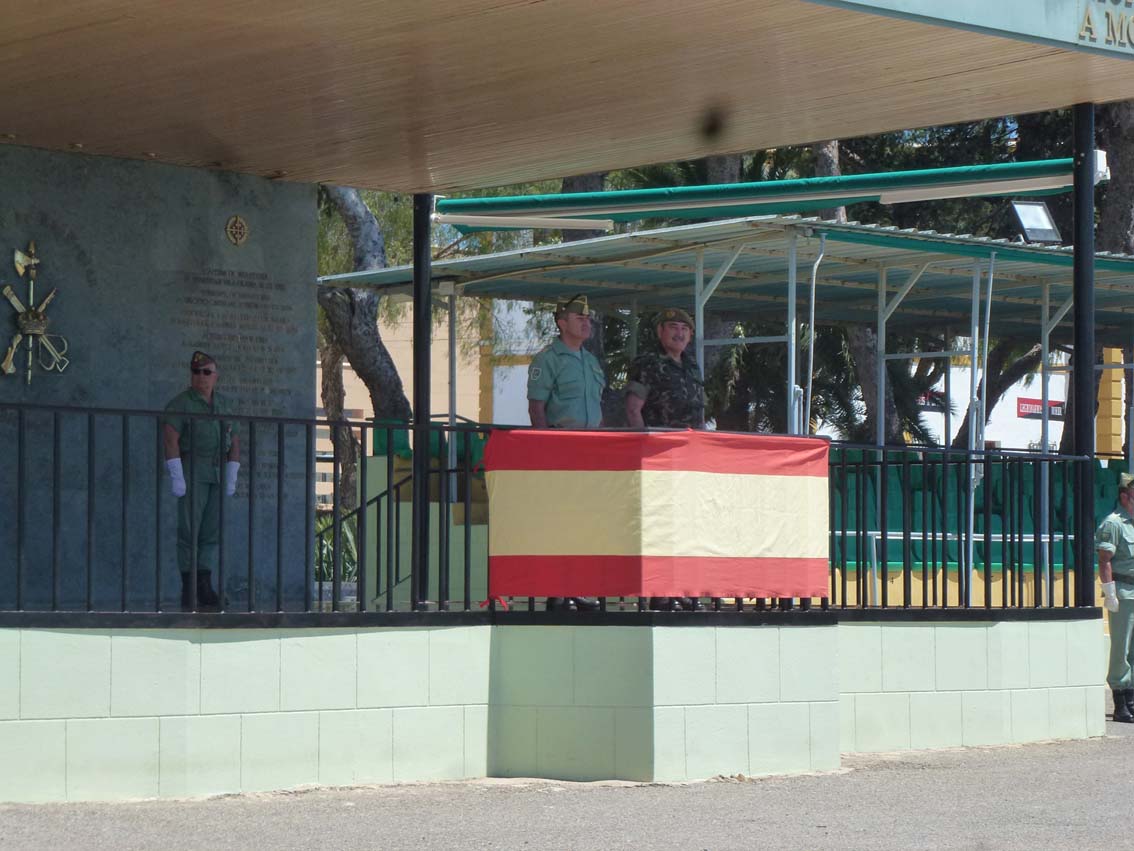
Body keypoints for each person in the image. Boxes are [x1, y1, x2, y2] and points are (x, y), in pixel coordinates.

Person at [528, 295, 605, 612]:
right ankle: (557, 591)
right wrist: (546, 449)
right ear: (562, 323)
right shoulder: (548, 359)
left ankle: (581, 586)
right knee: (560, 521)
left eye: (588, 319)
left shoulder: (590, 361)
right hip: (561, 449)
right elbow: (536, 408)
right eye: (579, 319)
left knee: (585, 521)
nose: (586, 324)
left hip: (590, 451)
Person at [626, 307, 706, 612]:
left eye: (684, 329)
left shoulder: (692, 366)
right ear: (660, 331)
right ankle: (660, 592)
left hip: (689, 458)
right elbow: (633, 409)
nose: (679, 333)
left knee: (684, 525)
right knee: (661, 526)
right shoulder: (648, 364)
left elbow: (699, 413)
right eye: (672, 327)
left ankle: (682, 589)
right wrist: (643, 448)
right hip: (659, 457)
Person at [163, 350, 241, 611]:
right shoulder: (181, 403)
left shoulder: (224, 404)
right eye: (196, 372)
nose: (201, 376)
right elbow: (170, 440)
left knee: (211, 531)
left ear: (216, 376)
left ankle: (205, 586)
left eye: (207, 372)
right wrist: (177, 475)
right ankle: (189, 588)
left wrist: (232, 471)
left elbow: (235, 440)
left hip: (218, 469)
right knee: (189, 530)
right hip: (193, 468)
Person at [1098, 472, 1134, 723]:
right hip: (1123, 592)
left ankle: (1131, 698)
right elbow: (1104, 560)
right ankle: (1120, 702)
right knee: (1121, 648)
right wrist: (1109, 592)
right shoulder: (1114, 523)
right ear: (1124, 496)